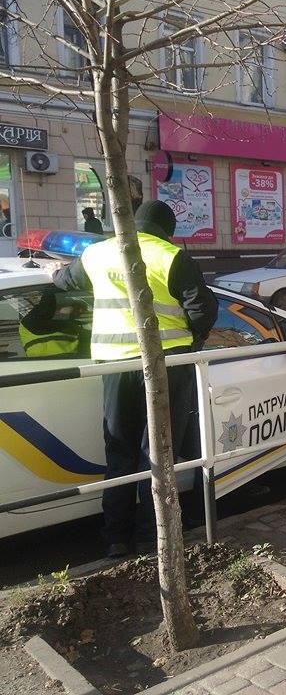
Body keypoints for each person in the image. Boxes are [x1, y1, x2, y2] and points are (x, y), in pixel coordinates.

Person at [52, 200, 218, 558]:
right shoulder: (172, 256)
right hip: (165, 364)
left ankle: (115, 538)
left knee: (120, 452)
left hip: (113, 367)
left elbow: (65, 281)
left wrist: (53, 271)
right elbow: (203, 309)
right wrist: (193, 339)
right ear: (167, 230)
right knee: (157, 451)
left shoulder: (97, 253)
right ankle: (150, 536)